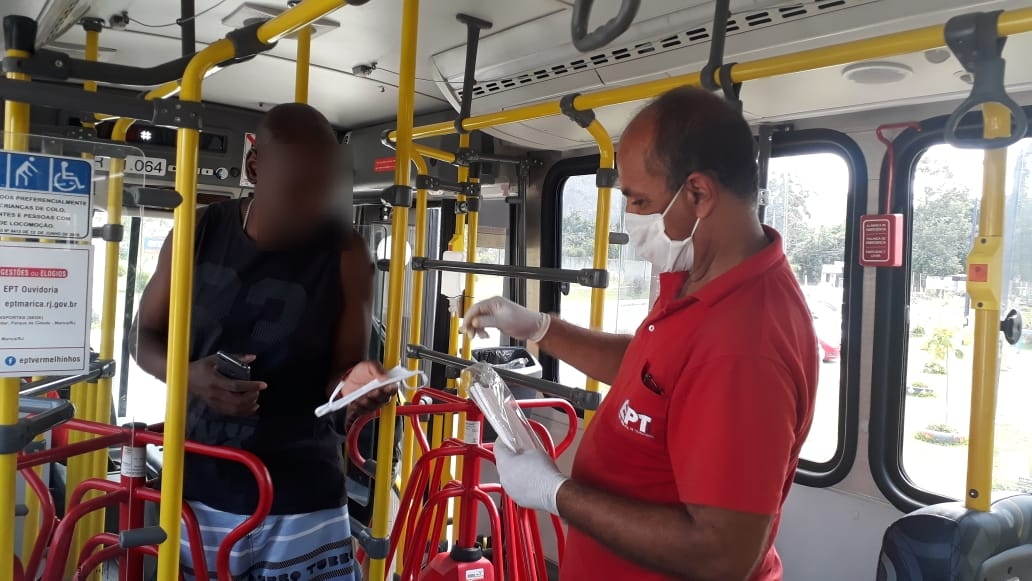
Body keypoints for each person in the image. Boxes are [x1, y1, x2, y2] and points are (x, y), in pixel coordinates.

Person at [462, 87, 818, 581]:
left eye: (641, 200)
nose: (631, 218)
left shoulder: (746, 346)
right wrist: (540, 328)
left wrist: (555, 493)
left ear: (698, 194)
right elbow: (653, 373)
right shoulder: (698, 281)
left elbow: (721, 555)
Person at [132, 103, 393, 581]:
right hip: (201, 485)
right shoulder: (198, 231)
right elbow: (143, 336)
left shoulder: (346, 252)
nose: (314, 207)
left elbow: (342, 375)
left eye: (325, 189)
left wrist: (356, 387)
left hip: (303, 493)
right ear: (255, 169)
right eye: (298, 190)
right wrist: (189, 376)